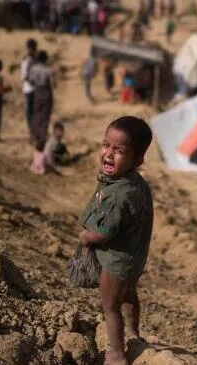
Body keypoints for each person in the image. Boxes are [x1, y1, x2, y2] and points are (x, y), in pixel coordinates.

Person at [78, 116, 154, 365]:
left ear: (137, 160)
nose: (109, 155)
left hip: (116, 261)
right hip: (135, 256)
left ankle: (117, 354)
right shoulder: (135, 184)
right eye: (106, 145)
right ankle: (134, 334)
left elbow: (106, 233)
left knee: (111, 307)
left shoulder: (120, 195)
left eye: (119, 150)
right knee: (129, 295)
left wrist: (88, 237)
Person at [27, 50, 55, 150]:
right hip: (46, 92)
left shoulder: (33, 69)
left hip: (37, 92)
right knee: (45, 114)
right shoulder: (48, 70)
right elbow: (53, 84)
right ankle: (42, 137)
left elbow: (30, 81)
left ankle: (34, 135)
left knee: (37, 113)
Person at [21, 38, 38, 135]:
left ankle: (34, 129)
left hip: (35, 88)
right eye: (31, 48)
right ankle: (31, 130)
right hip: (29, 88)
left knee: (35, 110)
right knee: (30, 110)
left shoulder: (34, 59)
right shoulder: (26, 60)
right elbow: (24, 76)